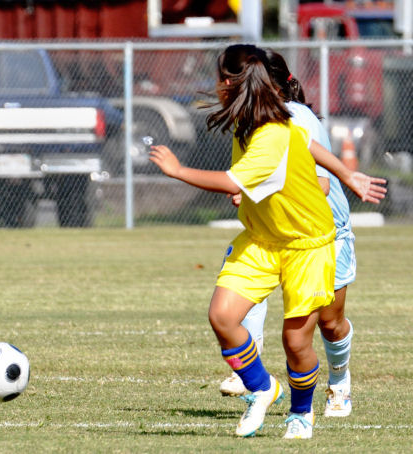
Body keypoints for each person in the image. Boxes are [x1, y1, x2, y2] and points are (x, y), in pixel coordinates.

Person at [148, 44, 385, 439]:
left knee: (296, 340)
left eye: (218, 77)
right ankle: (263, 387)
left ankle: (300, 412)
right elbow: (305, 144)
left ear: (229, 82)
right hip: (262, 238)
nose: (215, 85)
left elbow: (232, 179)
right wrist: (348, 174)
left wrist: (176, 170)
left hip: (307, 244)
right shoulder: (256, 117)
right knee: (223, 317)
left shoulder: (271, 130)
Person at [218, 50, 360, 425]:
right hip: (275, 236)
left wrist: (349, 175)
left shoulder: (296, 117)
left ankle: (339, 381)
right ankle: (253, 378)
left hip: (321, 235)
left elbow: (321, 183)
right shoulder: (248, 119)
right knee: (238, 302)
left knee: (330, 323)